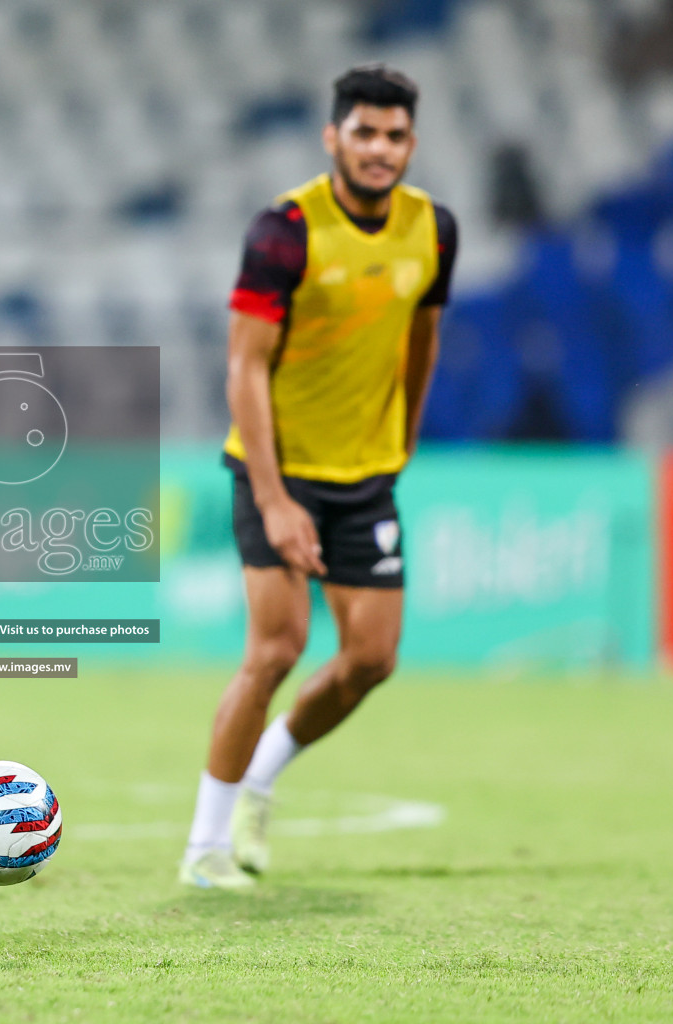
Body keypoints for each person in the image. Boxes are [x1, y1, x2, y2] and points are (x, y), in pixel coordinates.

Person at [181, 66, 457, 888]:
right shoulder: (284, 231)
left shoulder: (435, 230)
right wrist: (273, 498)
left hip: (365, 477)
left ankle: (264, 772)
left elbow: (423, 337)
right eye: (365, 132)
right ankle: (204, 849)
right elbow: (243, 369)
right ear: (333, 137)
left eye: (396, 135)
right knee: (277, 649)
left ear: (412, 143)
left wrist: (403, 431)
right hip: (278, 469)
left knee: (372, 658)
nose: (380, 149)